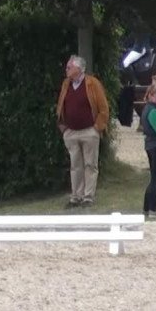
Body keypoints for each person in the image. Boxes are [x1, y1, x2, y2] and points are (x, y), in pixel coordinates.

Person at [56, 55, 110, 207]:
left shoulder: (93, 83)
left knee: (90, 165)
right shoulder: (66, 84)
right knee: (75, 165)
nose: (66, 70)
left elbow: (103, 108)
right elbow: (61, 104)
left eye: (69, 67)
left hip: (89, 131)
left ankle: (88, 196)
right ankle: (76, 196)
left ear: (78, 69)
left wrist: (97, 127)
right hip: (71, 132)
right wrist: (63, 127)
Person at [141, 80, 156, 218]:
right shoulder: (153, 111)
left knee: (155, 177)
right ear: (150, 95)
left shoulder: (147, 109)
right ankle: (152, 209)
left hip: (151, 145)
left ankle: (147, 207)